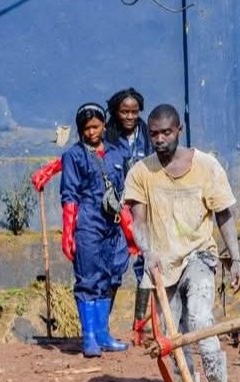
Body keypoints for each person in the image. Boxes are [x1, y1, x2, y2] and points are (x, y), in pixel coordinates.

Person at [124, 104, 240, 382]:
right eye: (154, 134)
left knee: (201, 318)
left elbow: (223, 214)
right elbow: (138, 221)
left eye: (167, 132)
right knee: (171, 335)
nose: (160, 139)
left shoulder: (207, 166)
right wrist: (147, 251)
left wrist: (236, 260)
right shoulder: (141, 172)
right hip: (162, 264)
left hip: (199, 256)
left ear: (179, 130)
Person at [60, 102, 136, 357]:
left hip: (113, 226)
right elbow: (69, 195)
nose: (91, 133)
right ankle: (89, 337)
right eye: (86, 128)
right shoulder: (74, 156)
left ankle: (103, 334)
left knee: (111, 276)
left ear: (104, 125)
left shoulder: (117, 152)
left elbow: (127, 190)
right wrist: (68, 232)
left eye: (95, 126)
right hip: (88, 224)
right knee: (88, 280)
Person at [104, 88, 153, 346]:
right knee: (113, 268)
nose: (130, 116)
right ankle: (103, 328)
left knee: (145, 266)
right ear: (115, 111)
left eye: (134, 112)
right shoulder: (107, 137)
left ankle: (140, 328)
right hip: (116, 213)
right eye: (125, 111)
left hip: (144, 211)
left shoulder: (148, 135)